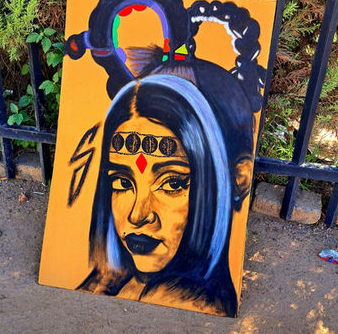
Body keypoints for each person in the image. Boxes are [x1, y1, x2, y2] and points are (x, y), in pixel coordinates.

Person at [77, 63, 255, 317]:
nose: (138, 215)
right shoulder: (119, 281)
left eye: (172, 183)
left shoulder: (190, 303)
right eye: (123, 183)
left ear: (238, 179)